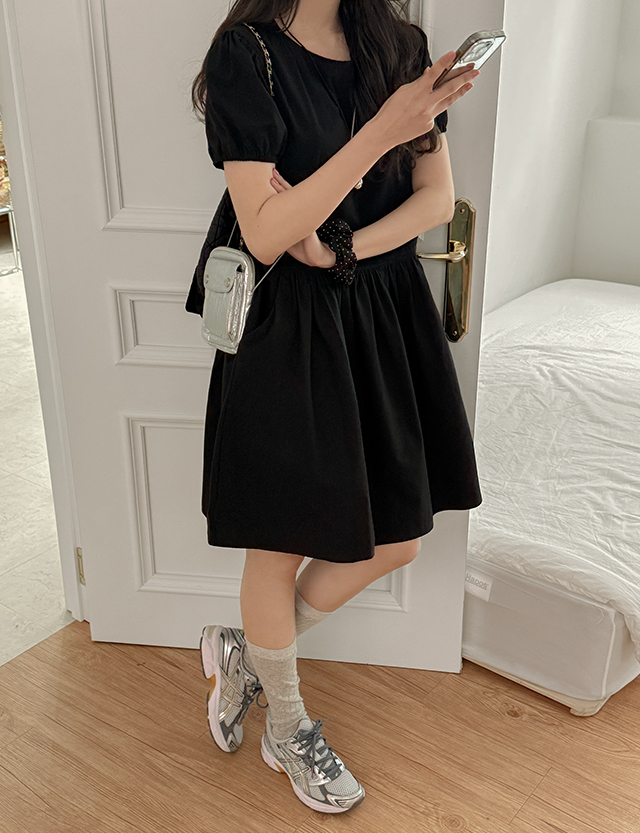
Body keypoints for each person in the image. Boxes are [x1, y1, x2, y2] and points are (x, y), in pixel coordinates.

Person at [186, 0, 482, 815]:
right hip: (290, 325)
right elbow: (265, 231)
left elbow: (435, 201)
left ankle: (245, 654)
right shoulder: (247, 55)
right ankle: (287, 727)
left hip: (380, 310)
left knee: (396, 539)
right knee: (279, 543)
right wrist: (382, 131)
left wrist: (341, 247)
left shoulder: (400, 45)